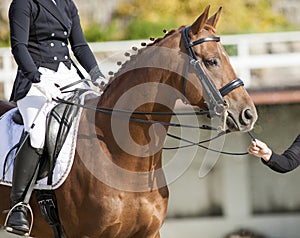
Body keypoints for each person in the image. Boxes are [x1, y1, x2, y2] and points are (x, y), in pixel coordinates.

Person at [6, 0, 107, 234]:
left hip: (67, 77)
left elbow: (79, 46)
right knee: (38, 133)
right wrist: (37, 79)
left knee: (92, 120)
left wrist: (97, 75)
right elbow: (18, 47)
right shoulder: (23, 3)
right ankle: (18, 206)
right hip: (35, 80)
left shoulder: (66, 4)